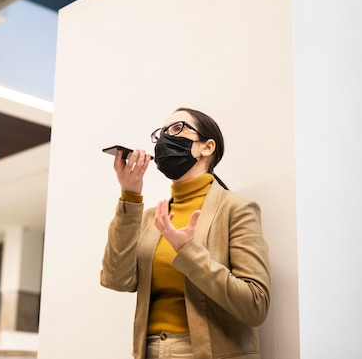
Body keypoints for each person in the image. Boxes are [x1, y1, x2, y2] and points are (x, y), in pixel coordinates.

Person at [100, 107, 271, 359]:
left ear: (207, 147)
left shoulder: (237, 209)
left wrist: (188, 252)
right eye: (161, 134)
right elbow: (116, 279)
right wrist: (131, 195)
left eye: (177, 128)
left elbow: (255, 306)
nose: (165, 139)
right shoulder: (153, 217)